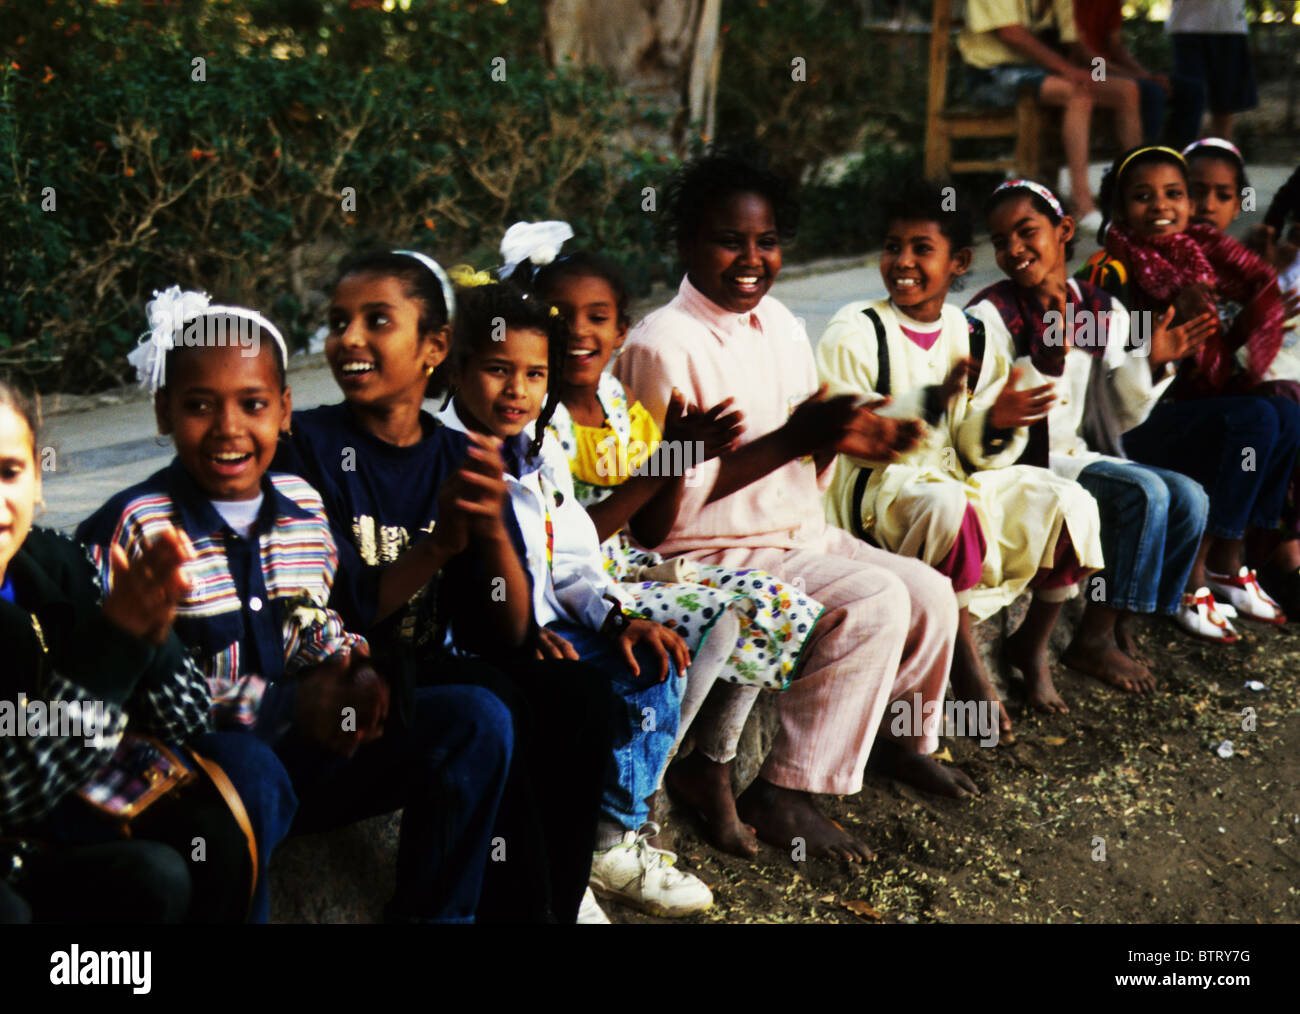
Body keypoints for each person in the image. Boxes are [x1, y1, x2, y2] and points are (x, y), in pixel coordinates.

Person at [77, 289, 515, 924]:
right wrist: (283, 706)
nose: (229, 429)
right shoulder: (134, 528)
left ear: (284, 411)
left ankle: (439, 917)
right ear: (163, 411)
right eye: (199, 406)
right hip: (205, 782)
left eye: (253, 405)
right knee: (250, 767)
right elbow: (124, 697)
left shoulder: (302, 508)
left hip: (313, 759)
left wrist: (355, 669)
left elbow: (333, 617)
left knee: (476, 718)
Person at [616, 150, 975, 866]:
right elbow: (666, 499)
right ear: (686, 243)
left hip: (794, 530)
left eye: (768, 241)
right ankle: (785, 790)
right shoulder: (662, 345)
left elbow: (807, 429)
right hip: (706, 549)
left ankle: (897, 741)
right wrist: (796, 439)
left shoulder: (777, 320)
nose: (751, 259)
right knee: (874, 599)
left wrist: (851, 431)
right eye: (729, 241)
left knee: (930, 592)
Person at [281, 250, 613, 924]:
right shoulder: (305, 446)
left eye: (377, 321)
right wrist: (438, 546)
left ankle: (554, 908)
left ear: (435, 347)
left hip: (418, 671)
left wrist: (488, 527)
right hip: (337, 680)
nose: (349, 339)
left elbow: (509, 634)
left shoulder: (456, 456)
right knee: (492, 702)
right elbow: (347, 607)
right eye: (338, 322)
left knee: (579, 697)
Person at [526, 233, 825, 858]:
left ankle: (708, 761)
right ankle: (646, 786)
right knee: (718, 622)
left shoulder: (619, 404)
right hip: (578, 587)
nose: (577, 332)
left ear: (622, 332)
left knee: (772, 603)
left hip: (632, 565)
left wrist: (679, 454)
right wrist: (661, 465)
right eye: (556, 316)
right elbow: (572, 543)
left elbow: (651, 532)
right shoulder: (538, 418)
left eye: (597, 318)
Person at [436, 275, 715, 918]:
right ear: (458, 364)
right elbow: (450, 588)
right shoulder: (442, 452)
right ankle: (556, 869)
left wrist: (617, 620)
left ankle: (610, 842)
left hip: (552, 628)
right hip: (478, 645)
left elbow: (571, 561)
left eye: (535, 375)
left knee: (652, 661)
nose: (517, 390)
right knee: (559, 706)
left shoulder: (540, 447)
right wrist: (519, 638)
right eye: (498, 370)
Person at [819, 179, 1103, 721]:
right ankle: (966, 663)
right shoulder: (856, 329)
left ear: (958, 262)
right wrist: (932, 399)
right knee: (951, 509)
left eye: (921, 249)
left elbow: (979, 448)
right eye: (892, 247)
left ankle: (1033, 648)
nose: (902, 262)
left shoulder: (970, 331)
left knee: (1068, 503)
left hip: (954, 479)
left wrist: (994, 423)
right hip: (882, 492)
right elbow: (850, 433)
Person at [969, 179, 1212, 684]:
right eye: (999, 240)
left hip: (1079, 453)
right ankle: (1092, 641)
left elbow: (1122, 416)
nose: (1012, 249)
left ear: (1062, 230)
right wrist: (1042, 364)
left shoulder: (1100, 310)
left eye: (1026, 231)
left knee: (1191, 497)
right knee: (1145, 493)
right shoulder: (991, 315)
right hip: (1026, 464)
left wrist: (1154, 363)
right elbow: (980, 418)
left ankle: (1123, 617)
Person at [1, 379, 202, 924]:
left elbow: (190, 716)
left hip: (51, 845)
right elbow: (11, 788)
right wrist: (111, 653)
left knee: (163, 874)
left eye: (8, 472)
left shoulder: (66, 565)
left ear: (39, 481)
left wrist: (151, 637)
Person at [1077, 145, 1300, 628]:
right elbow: (1095, 372)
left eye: (1173, 194)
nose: (1161, 206)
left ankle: (1231, 557)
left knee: (1284, 413)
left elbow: (1223, 342)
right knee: (1255, 418)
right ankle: (1196, 572)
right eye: (1142, 196)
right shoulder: (1110, 271)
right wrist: (1153, 356)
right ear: (1118, 209)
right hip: (1122, 425)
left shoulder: (1195, 255)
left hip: (1174, 407)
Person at [958, 0, 1142, 226]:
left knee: (1126, 90)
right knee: (1077, 94)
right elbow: (1010, 33)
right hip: (991, 73)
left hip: (1041, 70)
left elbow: (1075, 43)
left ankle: (1139, 192)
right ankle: (1082, 204)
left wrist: (1112, 72)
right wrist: (1068, 70)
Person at [1072, 0, 1203, 147]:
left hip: (1110, 69)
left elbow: (1116, 47)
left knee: (1192, 90)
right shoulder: (1073, 4)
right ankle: (1148, 156)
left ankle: (1179, 154)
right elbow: (1085, 55)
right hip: (1087, 71)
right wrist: (1139, 77)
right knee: (1152, 92)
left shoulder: (1111, 3)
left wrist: (1146, 75)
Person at [1165, 0, 1257, 141]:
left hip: (1229, 25)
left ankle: (1222, 155)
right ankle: (1183, 153)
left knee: (1226, 101)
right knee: (1189, 98)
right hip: (1186, 26)